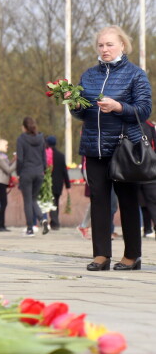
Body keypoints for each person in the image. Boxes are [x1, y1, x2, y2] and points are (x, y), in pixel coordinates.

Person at [71, 25, 151, 271]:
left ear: (122, 46)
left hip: (123, 148)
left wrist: (119, 107)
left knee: (127, 201)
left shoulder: (135, 74)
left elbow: (144, 110)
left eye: (110, 45)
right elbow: (81, 112)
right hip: (94, 148)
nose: (104, 49)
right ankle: (101, 255)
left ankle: (132, 256)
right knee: (99, 201)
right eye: (101, 45)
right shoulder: (88, 75)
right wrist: (74, 104)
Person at [16, 117, 47, 237]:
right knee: (33, 199)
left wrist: (19, 173)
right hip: (39, 173)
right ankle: (42, 219)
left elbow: (20, 158)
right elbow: (44, 157)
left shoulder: (21, 139)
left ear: (24, 127)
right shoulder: (41, 139)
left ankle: (30, 229)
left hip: (26, 172)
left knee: (27, 201)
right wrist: (42, 170)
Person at [44, 136, 71, 230]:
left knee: (51, 203)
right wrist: (68, 185)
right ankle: (53, 222)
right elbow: (64, 171)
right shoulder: (61, 155)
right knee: (56, 202)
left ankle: (55, 223)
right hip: (58, 184)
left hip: (49, 183)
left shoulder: (46, 154)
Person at [0, 138, 16, 232]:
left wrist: (12, 161)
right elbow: (8, 170)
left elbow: (7, 165)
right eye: (6, 145)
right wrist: (17, 162)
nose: (7, 147)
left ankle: (1, 225)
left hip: (0, 181)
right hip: (0, 182)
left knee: (2, 203)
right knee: (3, 204)